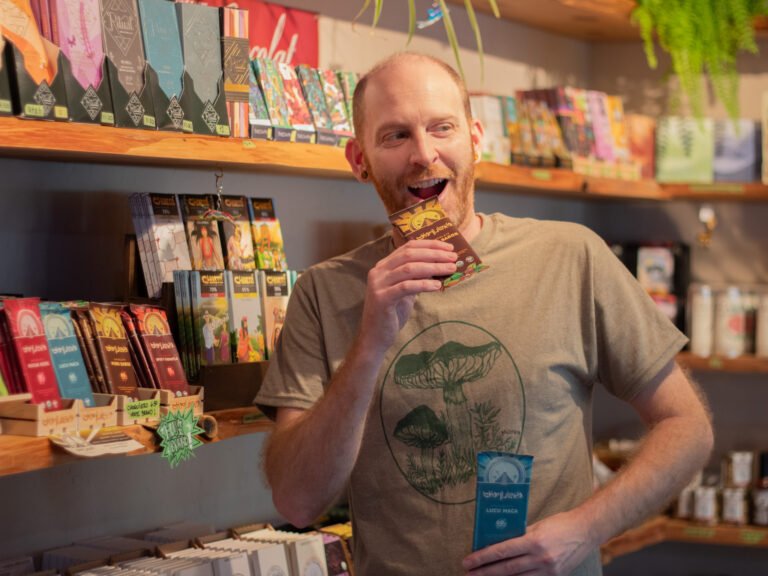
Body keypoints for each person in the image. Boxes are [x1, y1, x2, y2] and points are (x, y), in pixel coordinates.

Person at [254, 53, 713, 576]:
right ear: (359, 160)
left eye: (441, 127)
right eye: (395, 136)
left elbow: (687, 426)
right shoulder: (322, 292)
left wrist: (585, 530)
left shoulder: (570, 256)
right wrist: (369, 346)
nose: (424, 154)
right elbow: (296, 501)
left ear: (475, 138)